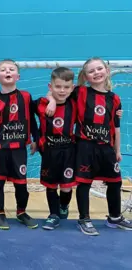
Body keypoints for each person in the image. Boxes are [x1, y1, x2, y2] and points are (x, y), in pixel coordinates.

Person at [46, 57, 132, 235]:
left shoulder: (115, 99)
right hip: (85, 147)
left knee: (115, 182)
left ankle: (115, 217)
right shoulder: (80, 92)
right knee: (84, 183)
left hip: (107, 148)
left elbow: (116, 128)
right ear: (85, 76)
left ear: (107, 71)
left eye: (99, 69)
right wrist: (51, 101)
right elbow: (56, 92)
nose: (96, 73)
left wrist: (117, 150)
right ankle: (84, 218)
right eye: (91, 71)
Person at [0, 59, 39, 230]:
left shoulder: (26, 97)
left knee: (21, 183)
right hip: (0, 150)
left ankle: (21, 212)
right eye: (3, 70)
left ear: (18, 76)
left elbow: (33, 120)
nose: (7, 71)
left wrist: (36, 139)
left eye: (11, 69)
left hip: (19, 150)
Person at [32, 67, 76, 230]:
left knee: (66, 186)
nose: (62, 90)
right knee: (51, 185)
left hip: (69, 152)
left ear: (72, 88)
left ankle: (63, 207)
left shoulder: (74, 102)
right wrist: (36, 139)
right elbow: (29, 120)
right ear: (50, 87)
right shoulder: (40, 104)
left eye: (66, 87)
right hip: (49, 152)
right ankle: (53, 214)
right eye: (57, 87)